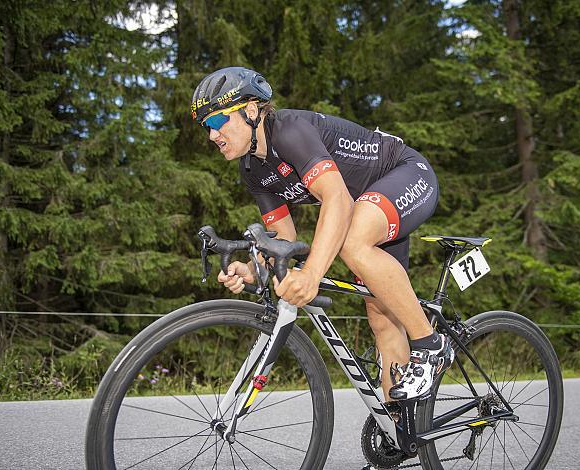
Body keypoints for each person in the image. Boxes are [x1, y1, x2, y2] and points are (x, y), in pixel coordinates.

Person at [191, 66, 453, 401]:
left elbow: (338, 200)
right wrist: (255, 269)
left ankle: (430, 345)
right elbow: (282, 238)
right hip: (367, 203)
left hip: (406, 173)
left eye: (217, 122)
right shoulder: (253, 169)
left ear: (251, 110)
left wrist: (313, 274)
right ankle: (402, 427)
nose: (212, 135)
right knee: (382, 317)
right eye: (206, 127)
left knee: (353, 243)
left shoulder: (289, 132)